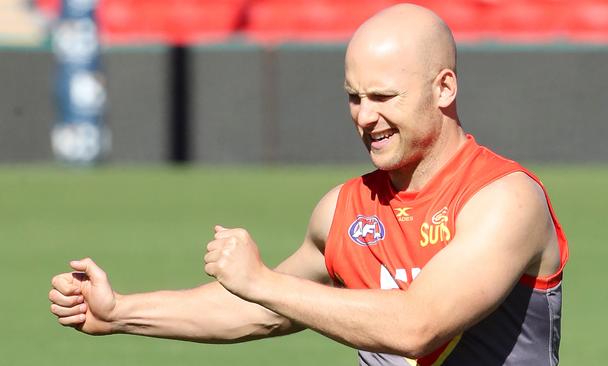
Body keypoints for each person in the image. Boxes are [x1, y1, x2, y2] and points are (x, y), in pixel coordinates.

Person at [49, 3, 568, 365]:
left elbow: (418, 326)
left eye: (384, 97)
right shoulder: (345, 209)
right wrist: (120, 311)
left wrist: (264, 283)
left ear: (444, 88)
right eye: (354, 97)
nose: (365, 117)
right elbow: (259, 311)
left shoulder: (504, 198)